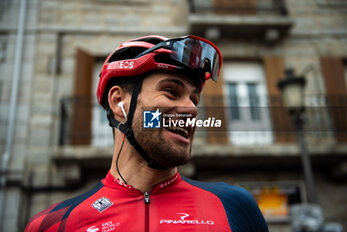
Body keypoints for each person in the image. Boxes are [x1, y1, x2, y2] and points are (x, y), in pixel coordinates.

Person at [25, 35, 268, 232]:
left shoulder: (234, 206)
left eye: (194, 99)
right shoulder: (54, 224)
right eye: (171, 92)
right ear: (119, 102)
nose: (192, 109)